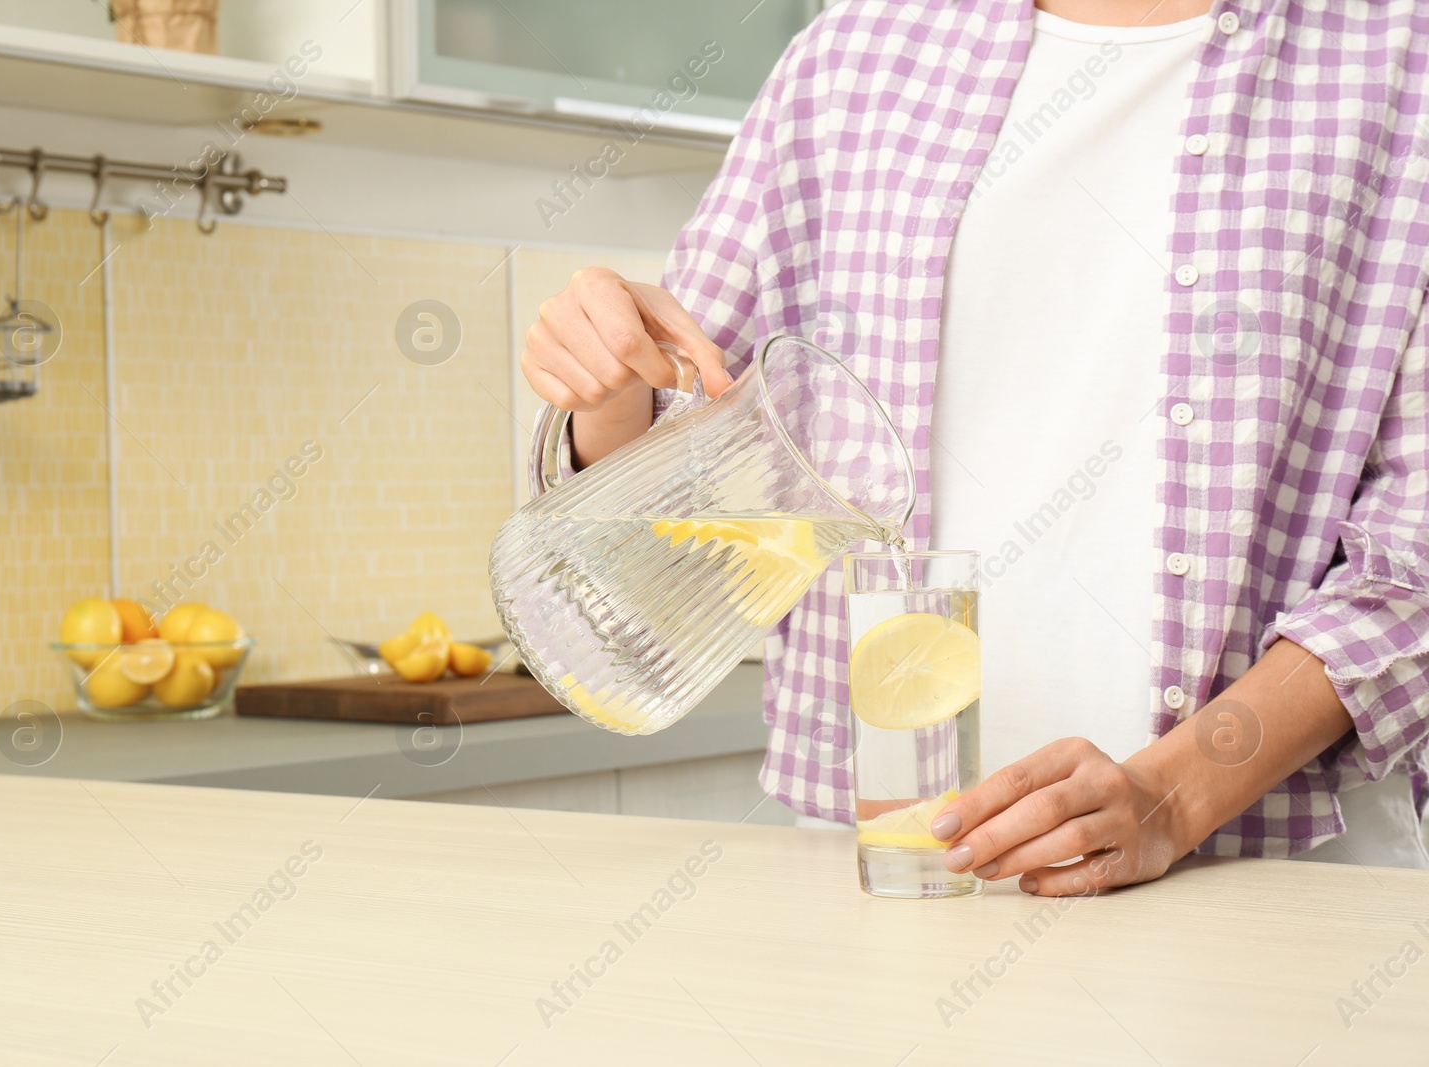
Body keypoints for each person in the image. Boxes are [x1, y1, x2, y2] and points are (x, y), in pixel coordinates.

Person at [519, 0, 1429, 894]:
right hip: (889, 865)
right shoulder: (850, 57)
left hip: (1269, 882)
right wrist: (608, 382)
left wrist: (1170, 793)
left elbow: (1415, 557)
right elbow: (678, 480)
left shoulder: (1399, 59)